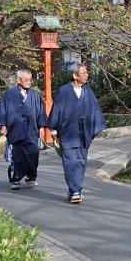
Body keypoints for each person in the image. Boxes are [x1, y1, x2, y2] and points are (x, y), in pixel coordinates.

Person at [49, 62, 106, 203]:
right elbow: (57, 110)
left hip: (83, 133)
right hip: (68, 132)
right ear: (75, 76)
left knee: (80, 161)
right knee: (70, 161)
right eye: (84, 73)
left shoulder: (88, 91)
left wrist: (95, 127)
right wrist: (54, 129)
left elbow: (95, 111)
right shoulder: (64, 91)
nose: (87, 75)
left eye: (87, 72)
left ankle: (73, 189)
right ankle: (75, 190)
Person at [0, 69, 49, 190]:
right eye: (26, 80)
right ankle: (15, 179)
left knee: (33, 155)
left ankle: (31, 177)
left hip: (32, 130)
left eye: (30, 80)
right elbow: (3, 111)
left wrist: (41, 127)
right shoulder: (9, 94)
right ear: (18, 80)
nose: (29, 82)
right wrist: (3, 126)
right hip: (15, 130)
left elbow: (40, 112)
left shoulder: (35, 95)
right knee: (16, 156)